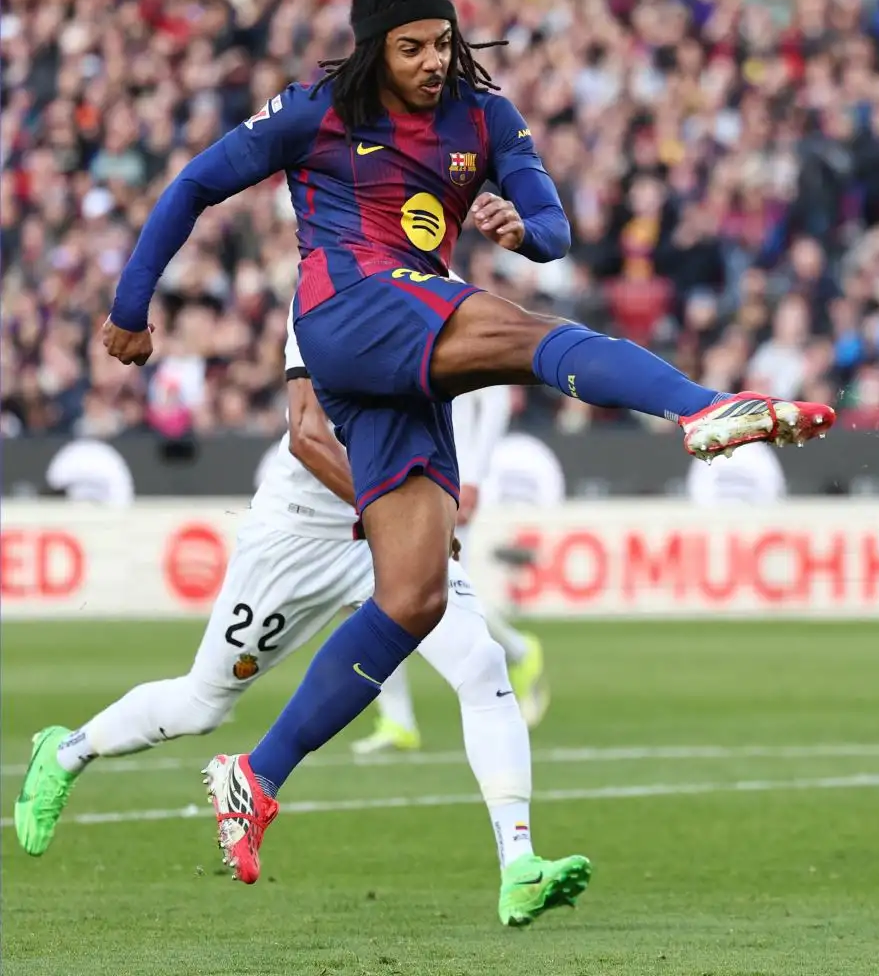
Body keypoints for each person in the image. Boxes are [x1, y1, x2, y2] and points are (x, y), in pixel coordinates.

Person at [99, 0, 835, 883]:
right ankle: (702, 408)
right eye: (410, 47)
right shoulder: (315, 109)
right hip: (347, 307)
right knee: (535, 338)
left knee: (414, 596)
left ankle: (255, 774)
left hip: (402, 362)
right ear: (374, 50)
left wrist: (522, 232)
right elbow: (193, 187)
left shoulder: (485, 118)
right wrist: (131, 306)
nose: (432, 62)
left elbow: (555, 223)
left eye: (442, 43)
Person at [14, 311, 591, 926]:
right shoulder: (323, 295)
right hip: (302, 534)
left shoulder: (424, 288)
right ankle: (65, 752)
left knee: (481, 664)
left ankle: (519, 865)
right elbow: (308, 438)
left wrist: (431, 508)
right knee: (201, 705)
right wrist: (396, 513)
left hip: (386, 525)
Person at [355, 383, 551, 754]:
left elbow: (494, 399)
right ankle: (398, 720)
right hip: (397, 468)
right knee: (377, 590)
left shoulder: (454, 324)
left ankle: (517, 651)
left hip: (448, 472)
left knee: (442, 590)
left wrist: (474, 477)